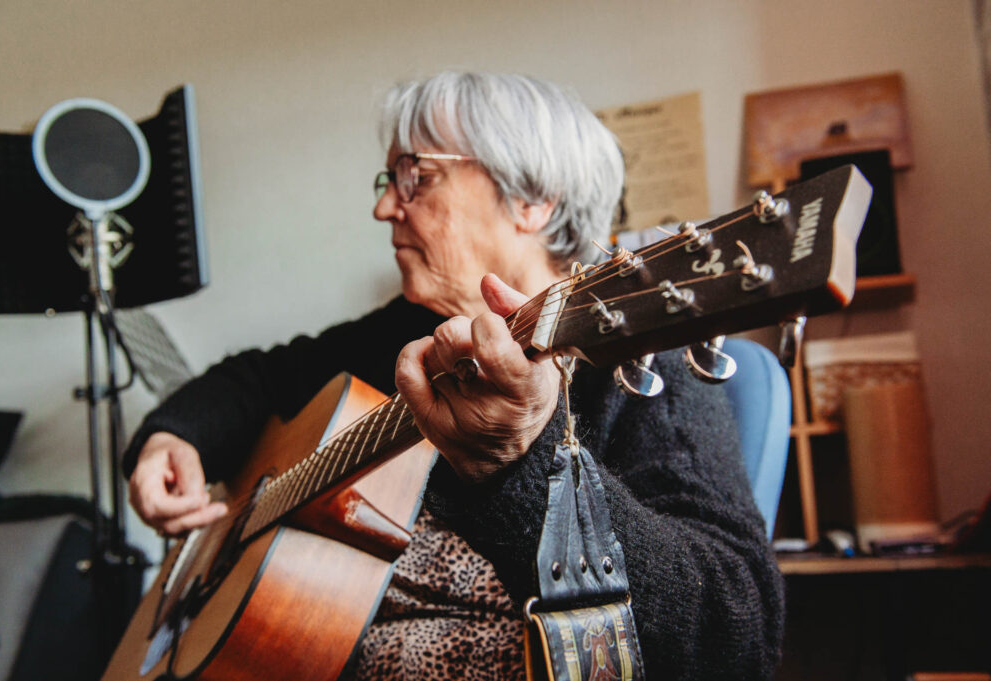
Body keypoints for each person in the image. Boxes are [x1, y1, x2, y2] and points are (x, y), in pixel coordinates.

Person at [123, 71, 784, 680]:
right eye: (387, 182)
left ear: (532, 201)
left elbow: (735, 634)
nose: (385, 209)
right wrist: (170, 436)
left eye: (414, 176)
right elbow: (258, 379)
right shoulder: (404, 328)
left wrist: (525, 458)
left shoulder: (638, 361)